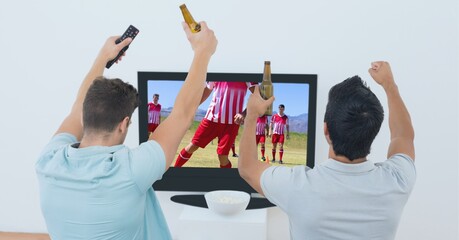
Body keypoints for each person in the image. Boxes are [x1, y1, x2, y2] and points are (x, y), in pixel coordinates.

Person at [35, 21, 217, 240]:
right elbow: (182, 114)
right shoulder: (131, 170)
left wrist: (103, 57)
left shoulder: (47, 160)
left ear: (85, 115)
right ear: (124, 124)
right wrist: (203, 51)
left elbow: (76, 109)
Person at [238, 61, 415, 239]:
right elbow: (403, 136)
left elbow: (247, 168)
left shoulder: (298, 186)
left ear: (326, 130)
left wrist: (252, 115)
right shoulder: (397, 181)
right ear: (373, 131)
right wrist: (390, 86)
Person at [174, 81, 257, 168]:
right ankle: (172, 174)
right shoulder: (217, 70)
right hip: (210, 119)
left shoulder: (244, 72)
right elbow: (207, 90)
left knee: (222, 157)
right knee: (192, 146)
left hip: (232, 123)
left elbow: (259, 95)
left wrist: (244, 113)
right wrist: (192, 106)